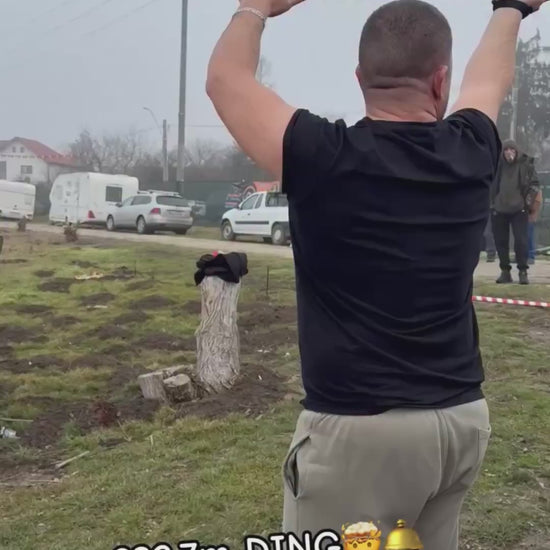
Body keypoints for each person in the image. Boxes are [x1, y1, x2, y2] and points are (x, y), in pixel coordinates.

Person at [206, 0, 548, 548]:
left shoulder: (320, 155)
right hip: (459, 420)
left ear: (360, 78)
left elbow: (225, 80)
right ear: (440, 81)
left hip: (358, 433)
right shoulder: (471, 149)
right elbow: (489, 79)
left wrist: (255, 8)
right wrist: (512, 8)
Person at [492, 140, 540, 284]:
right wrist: (492, 203)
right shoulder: (497, 165)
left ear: (516, 151)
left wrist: (527, 202)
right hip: (499, 209)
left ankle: (522, 271)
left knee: (521, 241)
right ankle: (505, 271)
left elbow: (534, 184)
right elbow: (490, 183)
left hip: (519, 209)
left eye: (512, 150)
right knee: (501, 241)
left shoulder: (525, 165)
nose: (509, 153)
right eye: (506, 150)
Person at [528, 188, 543, 264]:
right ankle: (521, 256)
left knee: (528, 236)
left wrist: (533, 213)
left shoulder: (535, 187)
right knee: (521, 237)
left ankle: (530, 256)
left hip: (529, 215)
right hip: (521, 214)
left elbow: (537, 200)